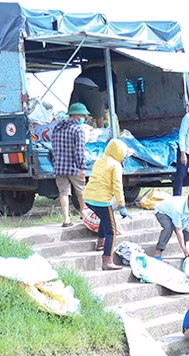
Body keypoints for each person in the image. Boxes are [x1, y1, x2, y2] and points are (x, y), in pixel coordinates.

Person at [82, 138, 130, 271]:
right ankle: (107, 260)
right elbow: (117, 186)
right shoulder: (116, 165)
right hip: (101, 200)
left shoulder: (99, 161)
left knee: (105, 219)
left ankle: (100, 243)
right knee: (112, 231)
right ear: (119, 153)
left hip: (88, 198)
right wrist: (122, 205)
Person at [51, 103, 88, 227]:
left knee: (64, 193)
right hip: (74, 167)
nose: (84, 119)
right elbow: (79, 150)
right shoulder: (78, 130)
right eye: (83, 116)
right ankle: (84, 214)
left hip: (59, 167)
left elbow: (54, 148)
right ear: (77, 116)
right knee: (81, 192)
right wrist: (82, 167)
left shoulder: (57, 128)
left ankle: (66, 219)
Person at [153, 188, 189, 260]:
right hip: (163, 212)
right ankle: (158, 251)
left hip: (182, 218)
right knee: (168, 227)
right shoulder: (178, 207)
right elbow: (178, 230)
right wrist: (183, 248)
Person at [69, 64, 117, 129]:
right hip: (90, 84)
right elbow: (113, 92)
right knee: (98, 112)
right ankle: (101, 131)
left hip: (77, 82)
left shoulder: (97, 69)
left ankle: (71, 128)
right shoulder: (111, 73)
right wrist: (114, 109)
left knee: (76, 109)